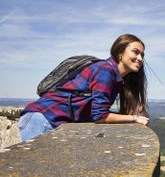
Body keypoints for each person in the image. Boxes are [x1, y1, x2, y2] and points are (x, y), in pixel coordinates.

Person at [18, 34, 149, 141]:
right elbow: (100, 116)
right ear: (120, 53)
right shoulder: (105, 70)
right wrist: (134, 118)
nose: (140, 58)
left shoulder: (115, 77)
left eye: (142, 55)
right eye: (135, 52)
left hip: (47, 120)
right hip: (42, 119)